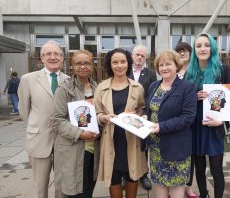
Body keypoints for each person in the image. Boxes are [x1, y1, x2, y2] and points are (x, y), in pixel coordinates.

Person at [185, 33, 230, 198]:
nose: (202, 49)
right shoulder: (190, 72)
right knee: (199, 167)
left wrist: (221, 121)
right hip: (195, 125)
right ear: (194, 50)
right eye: (198, 46)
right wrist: (194, 96)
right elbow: (183, 99)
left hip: (214, 125)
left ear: (212, 48)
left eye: (206, 45)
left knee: (216, 168)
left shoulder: (222, 69)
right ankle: (204, 194)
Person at [18, 40, 69, 198]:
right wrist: (35, 126)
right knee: (40, 187)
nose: (52, 57)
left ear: (62, 58)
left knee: (63, 187)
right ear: (41, 58)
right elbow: (24, 110)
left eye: (56, 54)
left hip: (64, 141)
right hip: (39, 139)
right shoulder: (28, 79)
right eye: (48, 54)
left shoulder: (69, 80)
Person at [94, 48, 148, 198]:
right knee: (114, 178)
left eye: (123, 61)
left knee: (132, 175)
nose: (119, 65)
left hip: (131, 140)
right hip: (111, 140)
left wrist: (140, 115)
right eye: (115, 62)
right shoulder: (101, 88)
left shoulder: (137, 88)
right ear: (110, 65)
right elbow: (97, 113)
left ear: (128, 63)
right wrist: (102, 118)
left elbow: (142, 109)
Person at [144, 50, 197, 198]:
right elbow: (150, 109)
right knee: (158, 184)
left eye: (168, 64)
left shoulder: (187, 87)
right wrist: (144, 115)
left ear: (177, 65)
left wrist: (161, 127)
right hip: (155, 148)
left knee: (176, 188)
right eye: (161, 65)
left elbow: (187, 117)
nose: (164, 68)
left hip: (176, 147)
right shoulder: (154, 86)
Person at [51, 50, 100, 198]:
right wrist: (80, 134)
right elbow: (57, 120)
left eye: (86, 63)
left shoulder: (97, 88)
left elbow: (99, 115)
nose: (83, 66)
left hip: (92, 148)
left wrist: (100, 126)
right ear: (72, 67)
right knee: (74, 191)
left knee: (88, 189)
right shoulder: (64, 88)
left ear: (92, 66)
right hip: (73, 149)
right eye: (78, 63)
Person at [129, 44, 157, 190]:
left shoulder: (151, 74)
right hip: (127, 115)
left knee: (142, 146)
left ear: (145, 58)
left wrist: (145, 112)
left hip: (144, 115)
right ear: (132, 56)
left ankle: (143, 174)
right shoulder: (124, 70)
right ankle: (126, 175)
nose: (140, 57)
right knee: (126, 144)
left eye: (142, 56)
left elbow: (151, 95)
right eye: (137, 55)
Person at [174, 42, 199, 198]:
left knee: (191, 156)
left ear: (190, 53)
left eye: (185, 50)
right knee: (177, 154)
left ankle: (188, 187)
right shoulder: (173, 70)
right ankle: (176, 186)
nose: (182, 53)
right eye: (179, 51)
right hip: (175, 119)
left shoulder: (196, 71)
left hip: (193, 118)